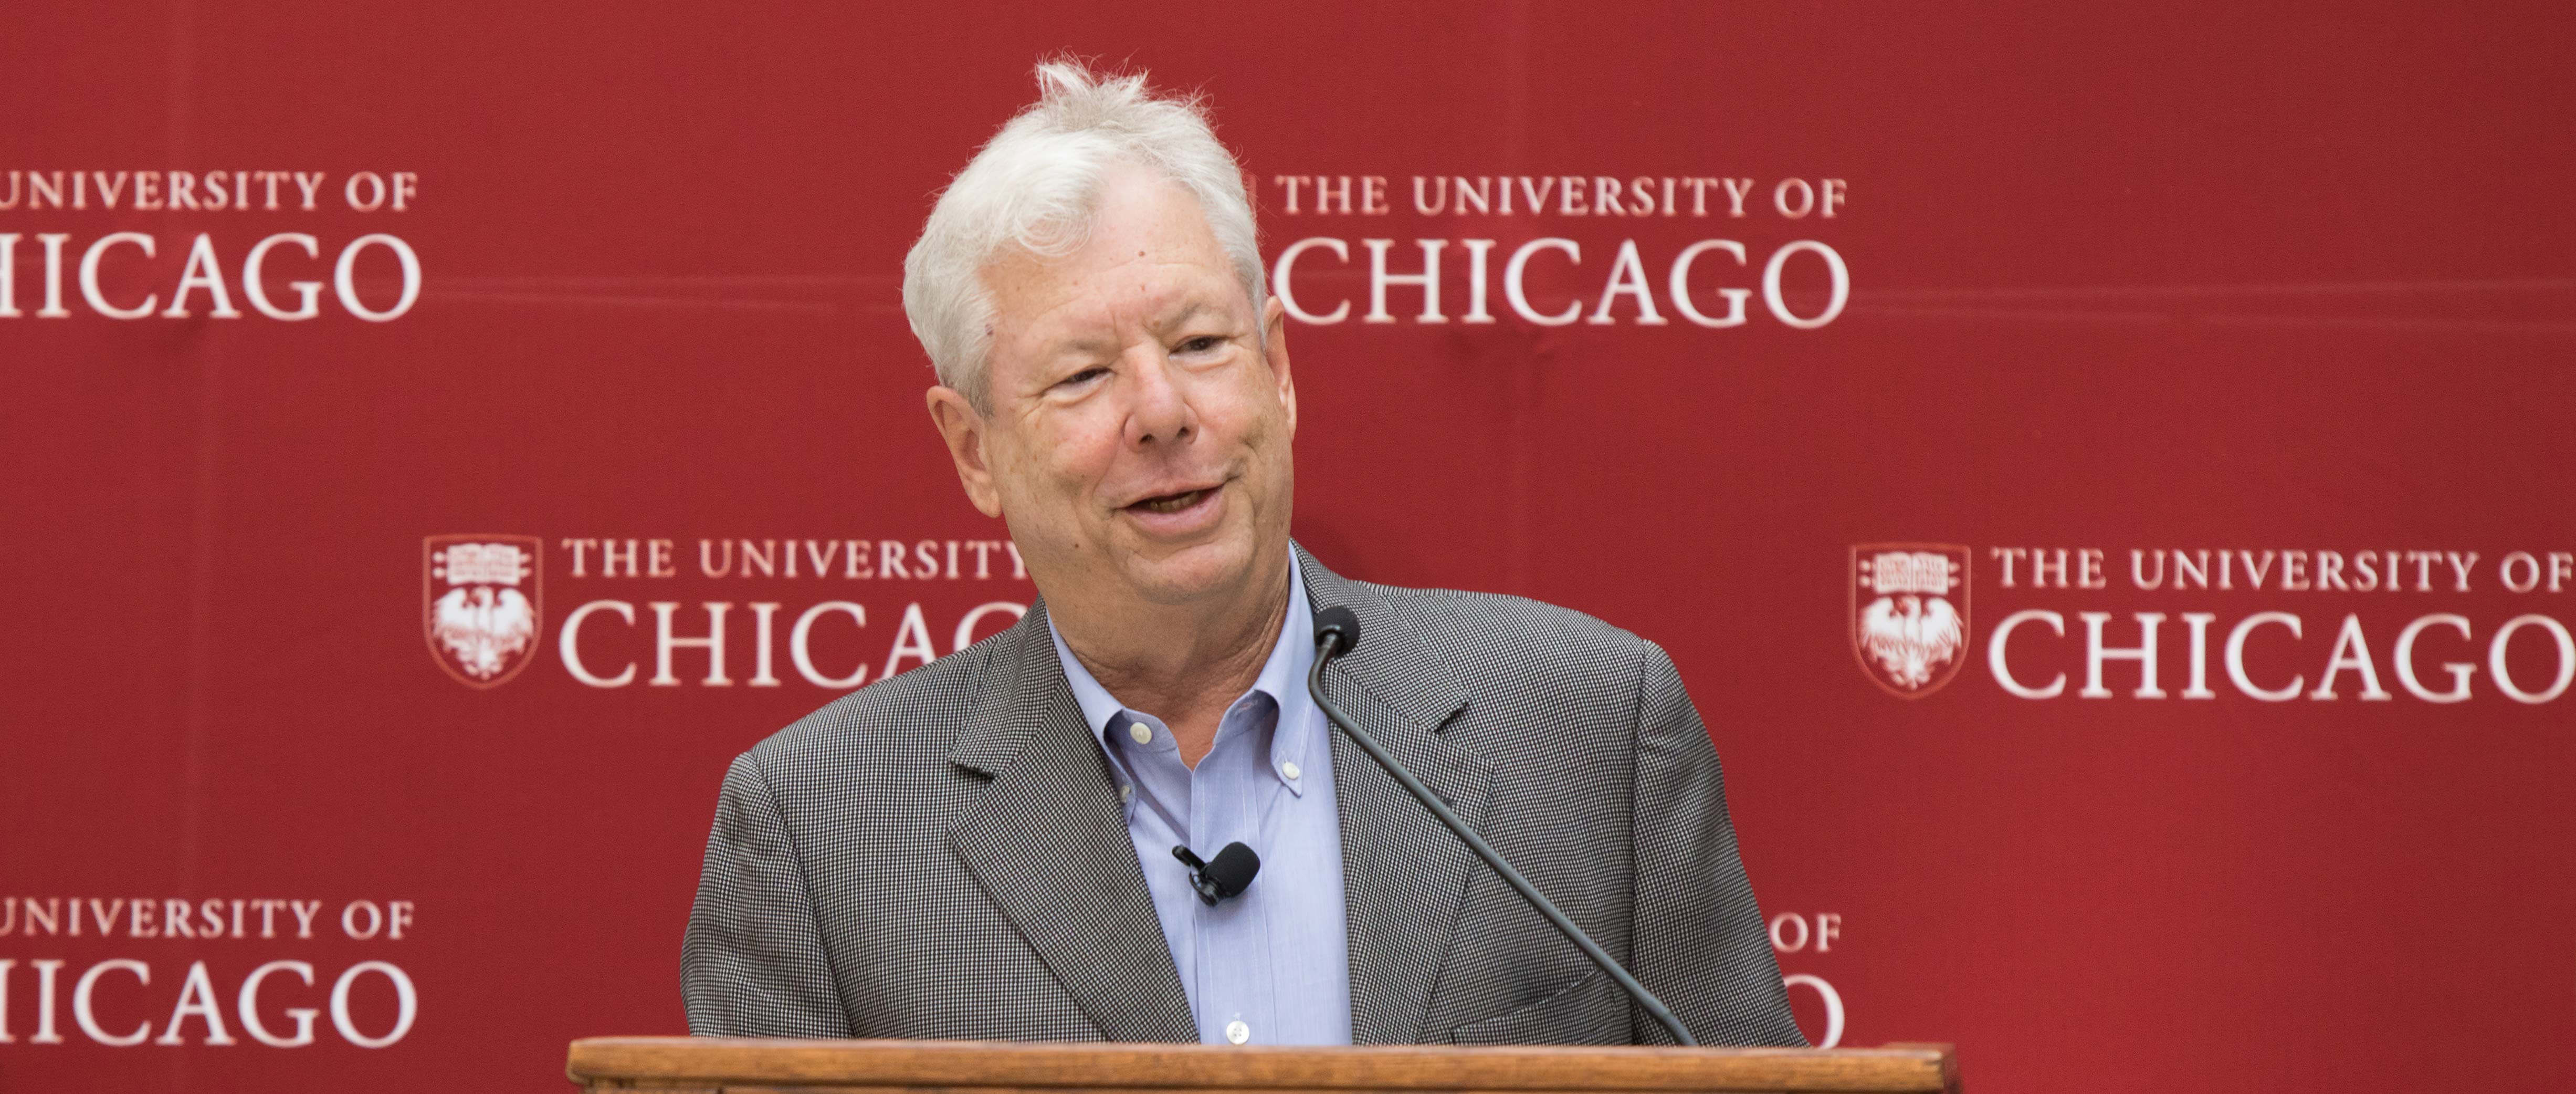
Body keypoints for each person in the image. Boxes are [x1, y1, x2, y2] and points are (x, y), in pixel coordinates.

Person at [681, 60, 1804, 1048]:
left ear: (1279, 370)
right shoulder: (819, 830)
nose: (1164, 412)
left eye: (1201, 343)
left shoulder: (1586, 727)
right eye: (1083, 374)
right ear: (974, 450)